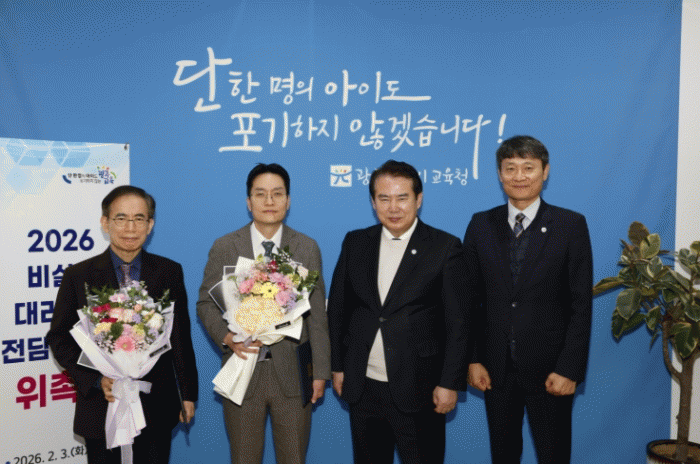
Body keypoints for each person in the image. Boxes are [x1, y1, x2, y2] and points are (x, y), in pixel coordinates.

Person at [327, 160, 470, 464]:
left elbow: (458, 323)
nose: (393, 208)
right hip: (363, 386)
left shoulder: (444, 247)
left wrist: (449, 383)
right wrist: (337, 367)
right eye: (384, 198)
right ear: (373, 202)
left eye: (402, 198)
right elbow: (338, 309)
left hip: (420, 387)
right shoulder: (356, 242)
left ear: (418, 199)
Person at [46, 185, 198, 464]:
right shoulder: (78, 275)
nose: (130, 227)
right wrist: (96, 379)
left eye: (139, 218)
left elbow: (179, 337)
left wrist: (187, 393)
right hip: (102, 403)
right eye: (121, 218)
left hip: (156, 403)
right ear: (105, 223)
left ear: (150, 225)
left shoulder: (169, 272)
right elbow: (59, 338)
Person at [464, 135, 593, 463]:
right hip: (495, 369)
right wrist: (473, 359)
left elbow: (580, 305)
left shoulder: (570, 225)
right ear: (499, 174)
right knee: (503, 455)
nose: (519, 176)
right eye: (510, 168)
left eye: (528, 167)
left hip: (551, 370)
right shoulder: (481, 224)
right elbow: (470, 299)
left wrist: (569, 368)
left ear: (545, 172)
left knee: (553, 455)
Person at [197, 163, 330, 464]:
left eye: (277, 194)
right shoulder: (225, 246)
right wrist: (227, 337)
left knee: (294, 458)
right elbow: (205, 303)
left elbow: (318, 316)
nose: (269, 201)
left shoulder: (306, 248)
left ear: (288, 201)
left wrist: (320, 372)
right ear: (249, 202)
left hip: (293, 373)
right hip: (242, 369)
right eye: (261, 194)